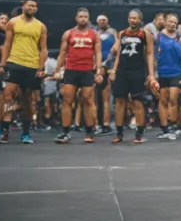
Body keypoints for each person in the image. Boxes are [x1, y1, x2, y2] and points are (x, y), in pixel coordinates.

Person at [0, 0, 48, 144]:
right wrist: (3, 64)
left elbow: (43, 49)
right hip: (13, 63)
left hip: (31, 66)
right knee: (8, 96)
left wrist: (41, 67)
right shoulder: (13, 22)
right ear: (23, 6)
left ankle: (25, 133)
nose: (31, 8)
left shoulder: (41, 26)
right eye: (29, 5)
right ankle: (4, 131)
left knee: (27, 100)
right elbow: (7, 44)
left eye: (34, 6)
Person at [53, 8, 103, 144]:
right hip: (71, 70)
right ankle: (65, 132)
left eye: (85, 17)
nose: (83, 19)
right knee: (67, 101)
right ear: (76, 18)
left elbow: (98, 53)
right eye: (80, 16)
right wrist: (58, 69)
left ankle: (90, 131)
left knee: (88, 100)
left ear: (88, 18)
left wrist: (98, 70)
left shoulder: (94, 34)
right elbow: (62, 52)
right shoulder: (68, 33)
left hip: (87, 70)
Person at [109, 9, 157, 144]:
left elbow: (149, 54)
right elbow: (118, 53)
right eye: (130, 18)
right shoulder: (122, 34)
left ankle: (139, 133)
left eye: (135, 18)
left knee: (137, 101)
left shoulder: (145, 34)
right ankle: (119, 133)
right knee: (120, 101)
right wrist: (113, 70)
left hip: (137, 71)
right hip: (122, 70)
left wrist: (151, 75)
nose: (132, 20)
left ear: (140, 20)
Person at [156, 12, 181, 140]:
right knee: (163, 100)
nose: (172, 24)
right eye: (170, 21)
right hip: (162, 72)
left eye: (175, 22)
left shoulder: (180, 39)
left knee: (173, 100)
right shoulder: (158, 37)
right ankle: (164, 128)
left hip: (176, 72)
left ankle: (173, 126)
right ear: (165, 22)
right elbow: (152, 55)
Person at [96, 14, 118, 134]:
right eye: (100, 20)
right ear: (97, 22)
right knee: (93, 97)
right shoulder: (94, 33)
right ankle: (94, 124)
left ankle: (106, 124)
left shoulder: (113, 32)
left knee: (106, 97)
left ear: (107, 21)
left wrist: (111, 66)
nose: (102, 22)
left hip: (109, 66)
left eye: (104, 19)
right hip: (96, 67)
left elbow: (116, 47)